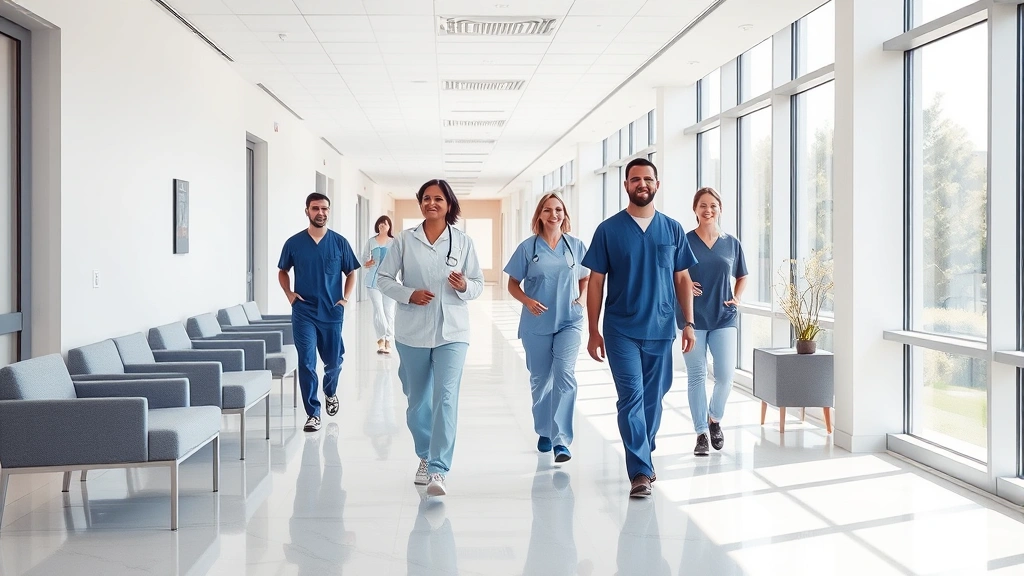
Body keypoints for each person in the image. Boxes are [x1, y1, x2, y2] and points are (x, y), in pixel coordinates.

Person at [581, 158, 698, 498]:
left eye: (647, 179)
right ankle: (641, 472)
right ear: (626, 186)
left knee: (654, 398)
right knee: (631, 397)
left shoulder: (672, 229)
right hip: (621, 330)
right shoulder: (608, 230)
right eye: (635, 179)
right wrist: (593, 330)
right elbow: (596, 282)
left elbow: (682, 278)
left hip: (661, 328)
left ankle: (643, 449)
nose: (641, 184)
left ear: (657, 184)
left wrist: (689, 323)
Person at [377, 178, 484, 497]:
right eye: (426, 198)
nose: (431, 203)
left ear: (449, 204)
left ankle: (438, 468)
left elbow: (477, 284)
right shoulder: (404, 240)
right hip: (412, 332)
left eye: (438, 198)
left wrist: (464, 286)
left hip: (453, 332)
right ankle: (424, 453)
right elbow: (383, 278)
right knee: (417, 401)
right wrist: (409, 294)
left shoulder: (463, 241)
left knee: (446, 398)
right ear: (420, 203)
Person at [504, 193, 589, 462]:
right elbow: (512, 284)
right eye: (548, 210)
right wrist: (527, 301)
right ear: (539, 215)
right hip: (537, 323)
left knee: (565, 374)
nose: (554, 215)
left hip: (570, 320)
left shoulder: (576, 246)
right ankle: (544, 430)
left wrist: (582, 300)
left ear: (565, 214)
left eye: (559, 209)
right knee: (541, 380)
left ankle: (561, 439)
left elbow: (586, 277)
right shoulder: (528, 248)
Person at [278, 192, 360, 432]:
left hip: (332, 311)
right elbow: (282, 271)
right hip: (304, 312)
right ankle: (313, 413)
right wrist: (289, 294)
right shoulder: (294, 243)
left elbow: (351, 272)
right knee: (306, 361)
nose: (320, 212)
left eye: (324, 208)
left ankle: (330, 391)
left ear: (328, 211)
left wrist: (345, 299)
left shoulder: (339, 243)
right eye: (315, 208)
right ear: (307, 211)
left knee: (333, 361)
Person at [683, 187, 747, 456]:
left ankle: (714, 419)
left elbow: (742, 275)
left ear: (720, 209)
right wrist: (686, 283)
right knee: (696, 376)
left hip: (724, 317)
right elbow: (673, 273)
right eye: (703, 205)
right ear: (695, 209)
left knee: (726, 376)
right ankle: (701, 433)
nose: (708, 210)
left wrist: (737, 297)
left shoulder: (731, 243)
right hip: (692, 318)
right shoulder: (685, 241)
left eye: (713, 205)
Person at [362, 215, 397, 354]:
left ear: (389, 227)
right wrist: (368, 262)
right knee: (379, 310)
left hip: (390, 281)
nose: (382, 225)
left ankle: (388, 340)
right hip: (373, 280)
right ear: (377, 226)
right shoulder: (371, 241)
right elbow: (364, 258)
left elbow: (399, 260)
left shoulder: (394, 242)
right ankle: (382, 339)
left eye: (385, 224)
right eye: (380, 223)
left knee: (389, 312)